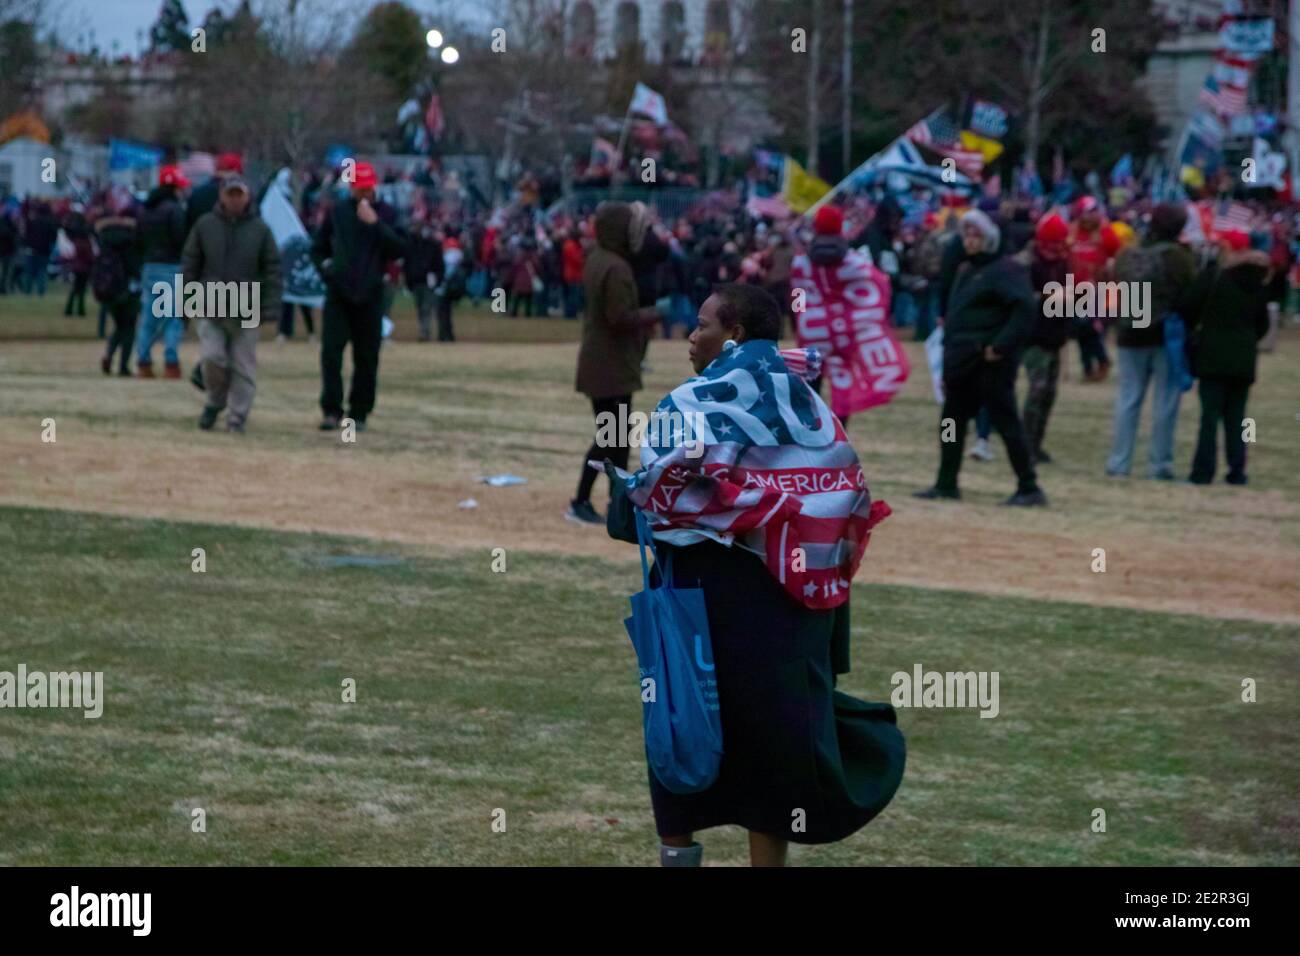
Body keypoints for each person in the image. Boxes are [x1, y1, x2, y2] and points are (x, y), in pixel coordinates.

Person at [602, 284, 904, 867]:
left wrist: (629, 497)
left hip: (701, 605)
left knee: (681, 726)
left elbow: (644, 511)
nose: (692, 335)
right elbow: (837, 507)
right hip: (788, 609)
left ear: (734, 335)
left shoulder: (688, 405)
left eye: (703, 324)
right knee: (776, 749)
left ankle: (678, 855)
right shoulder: (814, 410)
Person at [914, 210, 1046, 505]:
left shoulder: (1005, 270)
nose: (969, 241)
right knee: (950, 423)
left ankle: (1029, 486)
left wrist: (1000, 347)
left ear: (989, 239)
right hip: (962, 364)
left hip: (989, 366)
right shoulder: (967, 269)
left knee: (1007, 423)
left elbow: (1024, 310)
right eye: (966, 235)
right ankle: (946, 482)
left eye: (975, 235)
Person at [568, 201, 668, 525]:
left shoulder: (599, 258)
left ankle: (617, 502)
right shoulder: (617, 267)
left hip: (603, 362)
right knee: (612, 436)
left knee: (615, 435)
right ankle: (582, 500)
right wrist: (657, 312)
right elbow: (620, 317)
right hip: (611, 364)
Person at [1105, 202, 1198, 480]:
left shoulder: (1126, 255)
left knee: (1128, 399)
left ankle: (1119, 463)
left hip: (1129, 333)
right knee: (1165, 402)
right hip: (1165, 335)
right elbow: (1189, 294)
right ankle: (1160, 464)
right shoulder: (1180, 258)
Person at [181, 175, 282, 433]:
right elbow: (191, 265)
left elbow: (272, 270)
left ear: (247, 197)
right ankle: (215, 401)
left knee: (243, 367)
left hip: (247, 308)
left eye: (239, 194)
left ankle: (237, 417)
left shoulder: (261, 230)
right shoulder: (205, 226)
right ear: (221, 196)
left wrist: (270, 306)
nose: (235, 199)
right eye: (230, 194)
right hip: (211, 305)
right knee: (212, 358)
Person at [311, 161, 405, 431]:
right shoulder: (338, 212)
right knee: (331, 353)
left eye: (366, 189)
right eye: (357, 189)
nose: (361, 194)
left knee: (366, 356)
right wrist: (326, 269)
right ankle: (331, 409)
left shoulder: (387, 213)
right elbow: (318, 248)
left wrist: (375, 224)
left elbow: (399, 248)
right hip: (339, 292)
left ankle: (359, 412)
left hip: (371, 293)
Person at [1185, 231, 1270, 485]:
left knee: (1209, 417)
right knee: (1240, 418)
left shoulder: (1215, 278)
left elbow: (1188, 306)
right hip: (1243, 357)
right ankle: (1238, 468)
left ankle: (1203, 470)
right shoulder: (1258, 283)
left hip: (1212, 354)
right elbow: (1262, 324)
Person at [1015, 212, 1071, 464]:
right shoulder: (1025, 263)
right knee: (1036, 391)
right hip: (1032, 336)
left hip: (1054, 334)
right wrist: (1050, 297)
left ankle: (1036, 443)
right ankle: (1025, 445)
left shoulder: (1062, 261)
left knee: (1050, 393)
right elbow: (1021, 299)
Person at [136, 164, 192, 378]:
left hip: (150, 267)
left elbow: (138, 240)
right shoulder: (175, 210)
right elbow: (181, 240)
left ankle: (143, 360)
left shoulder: (146, 210)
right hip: (171, 267)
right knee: (173, 317)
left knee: (149, 317)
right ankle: (171, 361)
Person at [93, 210, 142, 376]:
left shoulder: (104, 240)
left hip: (108, 289)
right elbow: (135, 267)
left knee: (119, 325)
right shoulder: (132, 242)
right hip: (129, 288)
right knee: (129, 328)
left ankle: (109, 354)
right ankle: (123, 365)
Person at [1069, 196, 1111, 382]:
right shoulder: (1071, 232)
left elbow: (1117, 255)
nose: (1093, 215)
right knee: (1080, 330)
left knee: (1089, 326)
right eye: (1089, 211)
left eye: (1095, 211)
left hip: (1097, 290)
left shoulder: (1105, 232)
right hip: (1075, 290)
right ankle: (1088, 367)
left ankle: (1101, 360)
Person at [405, 215, 444, 342]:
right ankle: (423, 329)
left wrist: (438, 279)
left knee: (426, 307)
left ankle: (425, 331)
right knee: (420, 307)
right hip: (416, 280)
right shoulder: (411, 244)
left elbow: (439, 264)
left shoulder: (433, 245)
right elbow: (408, 263)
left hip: (428, 280)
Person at [21, 200, 57, 296]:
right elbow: (53, 237)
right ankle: (40, 292)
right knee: (42, 271)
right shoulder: (50, 222)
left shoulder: (32, 221)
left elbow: (26, 235)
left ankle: (27, 291)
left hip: (31, 250)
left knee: (29, 272)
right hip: (44, 251)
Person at [561, 227, 585, 318]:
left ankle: (570, 313)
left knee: (571, 295)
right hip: (572, 275)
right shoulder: (571, 246)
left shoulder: (569, 244)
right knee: (573, 296)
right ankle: (571, 314)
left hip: (571, 274)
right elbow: (577, 260)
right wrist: (584, 259)